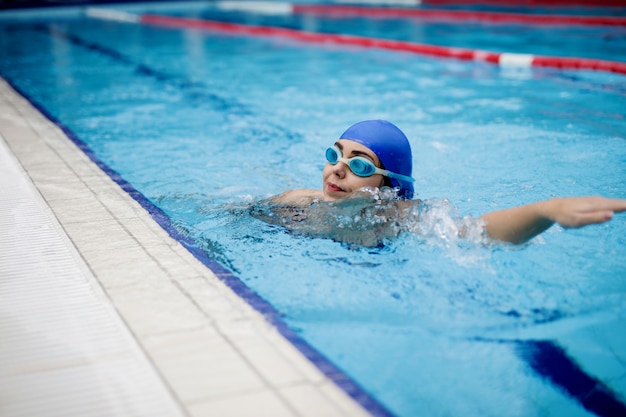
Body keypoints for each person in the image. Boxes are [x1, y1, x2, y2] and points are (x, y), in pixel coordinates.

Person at [271, 120, 626, 244]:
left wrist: (547, 210)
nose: (338, 170)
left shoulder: (397, 218)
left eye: (360, 165)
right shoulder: (298, 201)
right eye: (335, 155)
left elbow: (476, 233)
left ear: (387, 187)